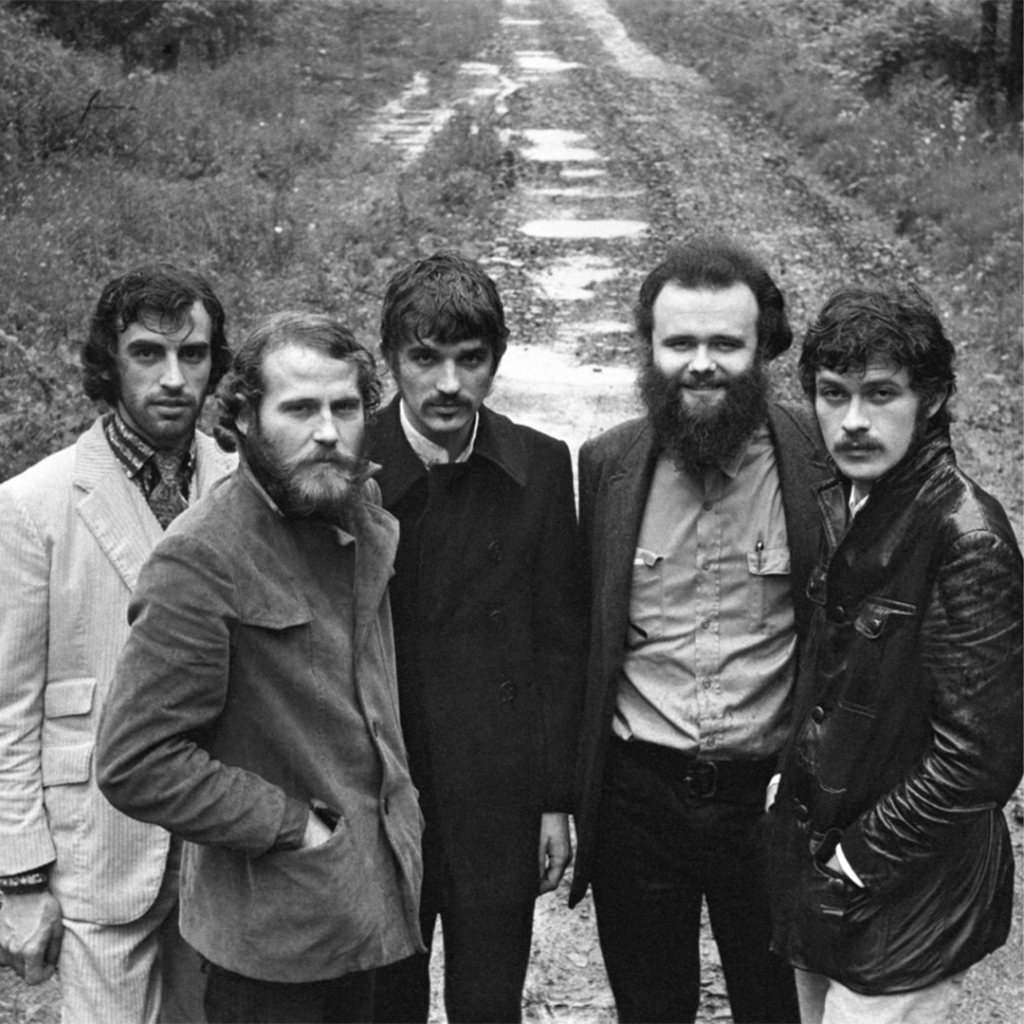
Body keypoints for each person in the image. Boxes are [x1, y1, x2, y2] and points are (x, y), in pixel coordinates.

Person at [96, 312, 424, 1024]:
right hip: (275, 951)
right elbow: (136, 762)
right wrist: (291, 826)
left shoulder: (358, 512)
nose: (329, 431)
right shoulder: (202, 556)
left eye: (345, 407)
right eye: (300, 408)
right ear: (244, 415)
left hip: (384, 918)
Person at [570, 237, 830, 1024]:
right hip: (636, 801)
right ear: (650, 348)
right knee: (650, 1008)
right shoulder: (605, 466)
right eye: (680, 342)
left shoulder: (818, 460)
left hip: (773, 803)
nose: (701, 363)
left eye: (726, 343)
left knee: (777, 1009)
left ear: (762, 351)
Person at [769, 284, 1024, 1024]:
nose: (853, 420)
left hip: (906, 894)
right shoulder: (851, 499)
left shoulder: (965, 537)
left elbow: (979, 759)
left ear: (934, 399)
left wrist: (856, 863)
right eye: (832, 394)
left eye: (881, 394)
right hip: (832, 881)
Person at [0, 263, 235, 1023]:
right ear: (110, 361)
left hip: (220, 852)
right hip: (98, 850)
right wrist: (20, 880)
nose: (173, 378)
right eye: (147, 353)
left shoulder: (243, 487)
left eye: (192, 355)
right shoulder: (33, 506)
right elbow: (8, 708)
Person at [365, 251, 586, 1024]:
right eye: (425, 359)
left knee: (488, 1003)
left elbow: (562, 643)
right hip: (385, 797)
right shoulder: (350, 466)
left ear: (496, 362)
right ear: (393, 360)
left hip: (496, 797)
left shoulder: (541, 467)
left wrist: (555, 801)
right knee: (383, 1000)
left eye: (471, 359)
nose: (448, 385)